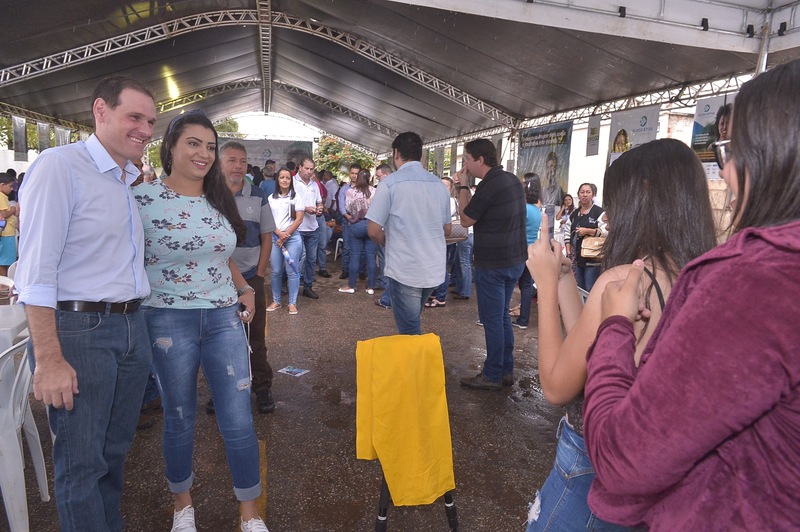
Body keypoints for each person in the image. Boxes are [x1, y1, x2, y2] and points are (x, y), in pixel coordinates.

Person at [582, 59, 800, 531]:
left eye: (731, 150)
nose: (725, 170)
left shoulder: (757, 282)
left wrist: (614, 327)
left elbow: (624, 459)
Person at [526, 138, 717, 531]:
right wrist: (563, 278)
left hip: (588, 471)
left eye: (616, 201)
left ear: (642, 197)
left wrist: (543, 284)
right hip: (648, 475)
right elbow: (594, 350)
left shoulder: (628, 277)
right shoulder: (701, 276)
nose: (609, 215)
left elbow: (557, 385)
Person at [15, 76, 156, 531]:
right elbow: (36, 273)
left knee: (112, 456)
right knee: (82, 464)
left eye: (151, 122)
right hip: (80, 331)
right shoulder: (60, 166)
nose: (145, 130)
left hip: (129, 327)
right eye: (135, 117)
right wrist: (49, 359)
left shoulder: (125, 178)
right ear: (100, 111)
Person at [135, 110, 268, 532]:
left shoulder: (217, 197)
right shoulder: (140, 199)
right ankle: (182, 505)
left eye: (210, 146)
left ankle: (250, 513)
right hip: (166, 320)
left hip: (224, 318)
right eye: (193, 143)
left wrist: (245, 288)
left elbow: (218, 253)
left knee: (238, 417)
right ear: (170, 147)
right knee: (179, 416)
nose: (204, 154)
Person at [454, 138, 527, 390]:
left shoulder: (489, 185)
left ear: (480, 160)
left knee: (493, 320)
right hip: (514, 260)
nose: (465, 164)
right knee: (502, 317)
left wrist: (463, 186)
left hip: (494, 263)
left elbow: (465, 219)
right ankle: (505, 369)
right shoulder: (511, 180)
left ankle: (493, 374)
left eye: (467, 159)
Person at [367, 131, 451, 335]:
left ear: (396, 153)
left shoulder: (389, 184)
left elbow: (373, 230)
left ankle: (419, 357)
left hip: (405, 269)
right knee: (413, 319)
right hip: (433, 268)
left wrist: (391, 241)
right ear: (420, 154)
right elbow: (447, 229)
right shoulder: (439, 185)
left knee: (409, 330)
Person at [220, 141, 277, 414]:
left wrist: (260, 274)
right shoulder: (210, 195)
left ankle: (262, 387)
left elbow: (267, 237)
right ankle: (223, 390)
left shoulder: (258, 195)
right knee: (220, 339)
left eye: (242, 161)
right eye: (232, 160)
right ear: (220, 164)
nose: (238, 166)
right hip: (218, 280)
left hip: (251, 277)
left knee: (255, 337)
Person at [267, 167, 305, 314]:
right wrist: (278, 233)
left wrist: (286, 235)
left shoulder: (296, 197)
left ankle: (292, 303)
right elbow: (268, 219)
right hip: (275, 238)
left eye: (288, 178)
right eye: (282, 177)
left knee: (292, 271)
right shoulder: (271, 198)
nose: (285, 180)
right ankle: (276, 301)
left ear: (291, 180)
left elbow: (299, 219)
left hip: (292, 238)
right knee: (276, 271)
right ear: (277, 179)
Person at [339, 168, 378, 294]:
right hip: (371, 225)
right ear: (369, 178)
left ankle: (351, 285)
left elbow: (348, 208)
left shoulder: (351, 192)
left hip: (356, 224)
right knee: (371, 256)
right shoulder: (374, 191)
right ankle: (370, 287)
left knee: (354, 255)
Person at [513, 177, 542, 330]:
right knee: (526, 285)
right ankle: (523, 320)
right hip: (532, 250)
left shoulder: (523, 209)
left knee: (509, 282)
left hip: (519, 250)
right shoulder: (537, 210)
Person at [426, 176, 459, 307]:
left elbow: (443, 220)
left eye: (445, 186)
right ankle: (436, 293)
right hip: (438, 237)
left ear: (451, 188)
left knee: (441, 266)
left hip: (443, 237)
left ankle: (440, 296)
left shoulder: (449, 201)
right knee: (438, 265)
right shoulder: (439, 199)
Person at [294, 157, 323, 299]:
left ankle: (308, 286)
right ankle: (290, 284)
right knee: (298, 258)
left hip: (312, 227)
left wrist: (319, 208)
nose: (309, 171)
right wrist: (305, 208)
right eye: (306, 168)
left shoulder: (314, 184)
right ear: (300, 167)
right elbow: (288, 204)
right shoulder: (292, 182)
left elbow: (319, 202)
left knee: (311, 259)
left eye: (311, 169)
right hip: (297, 227)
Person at [569, 183, 604, 291]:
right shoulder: (574, 213)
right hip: (577, 259)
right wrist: (568, 249)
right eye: (582, 192)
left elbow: (605, 232)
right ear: (578, 194)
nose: (585, 195)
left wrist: (588, 231)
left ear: (593, 194)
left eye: (588, 192)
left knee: (590, 288)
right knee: (579, 288)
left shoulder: (599, 212)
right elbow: (567, 232)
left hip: (593, 259)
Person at [373, 164, 394, 309]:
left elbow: (373, 227)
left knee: (388, 262)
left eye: (378, 176)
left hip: (389, 232)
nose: (378, 179)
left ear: (385, 175)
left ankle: (387, 297)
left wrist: (381, 238)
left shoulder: (386, 189)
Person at [0, 173, 19, 275]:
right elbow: (5, 214)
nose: (12, 189)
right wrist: (13, 209)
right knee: (6, 260)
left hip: (5, 232)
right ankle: (4, 282)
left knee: (4, 259)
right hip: (6, 233)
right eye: (10, 186)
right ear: (2, 185)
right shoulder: (1, 196)